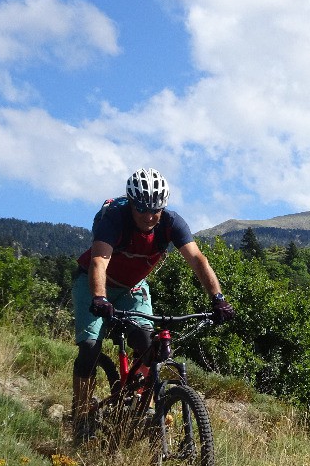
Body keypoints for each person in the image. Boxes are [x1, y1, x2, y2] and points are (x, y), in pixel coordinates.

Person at [71, 168, 234, 444]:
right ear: (131, 204)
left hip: (133, 286)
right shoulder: (114, 219)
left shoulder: (171, 223)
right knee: (89, 347)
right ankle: (82, 413)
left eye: (155, 210)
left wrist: (218, 299)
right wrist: (100, 298)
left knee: (148, 344)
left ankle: (140, 406)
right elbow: (99, 261)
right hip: (95, 283)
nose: (149, 216)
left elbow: (197, 259)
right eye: (142, 209)